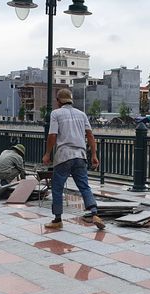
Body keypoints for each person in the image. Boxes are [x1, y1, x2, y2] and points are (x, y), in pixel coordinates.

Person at [42, 88, 105, 230]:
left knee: (57, 188)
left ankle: (57, 219)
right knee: (84, 186)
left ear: (58, 101)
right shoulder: (81, 114)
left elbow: (52, 135)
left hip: (64, 156)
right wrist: (94, 155)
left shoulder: (56, 114)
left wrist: (47, 154)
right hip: (80, 156)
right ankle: (95, 213)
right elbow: (90, 136)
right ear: (71, 100)